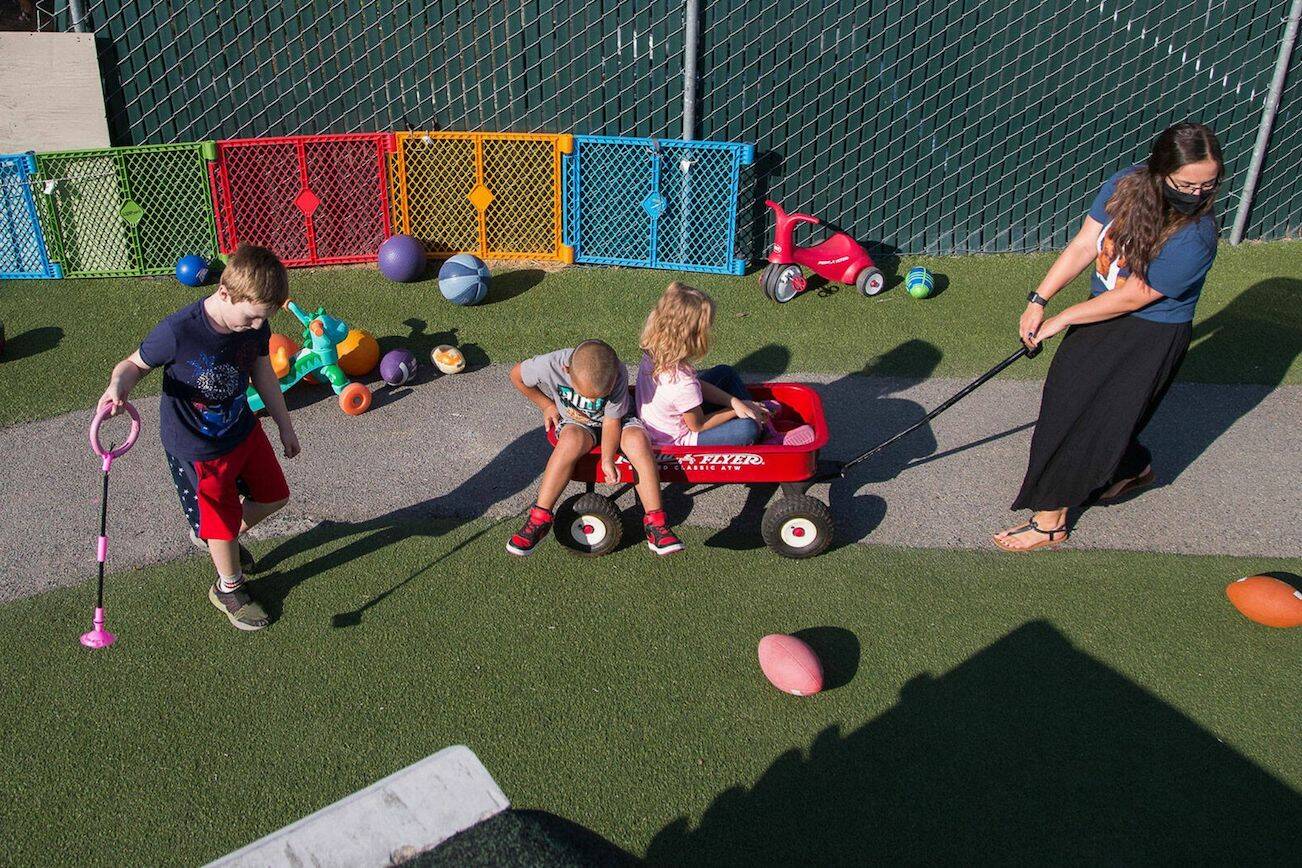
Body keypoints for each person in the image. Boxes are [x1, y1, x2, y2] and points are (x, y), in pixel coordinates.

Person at [995, 122, 1222, 552]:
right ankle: (1131, 469)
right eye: (1187, 183)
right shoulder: (1124, 185)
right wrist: (1039, 299)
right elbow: (1085, 244)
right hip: (1101, 314)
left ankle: (1050, 521)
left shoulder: (1196, 236)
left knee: (1082, 420)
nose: (1197, 195)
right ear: (1159, 170)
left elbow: (1134, 297)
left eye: (1207, 185)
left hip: (1150, 335)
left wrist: (1063, 320)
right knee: (1074, 405)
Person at [98, 244, 300, 628]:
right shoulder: (179, 330)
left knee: (275, 496)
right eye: (252, 318)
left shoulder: (256, 322)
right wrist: (117, 388)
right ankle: (228, 586)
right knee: (221, 524)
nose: (259, 327)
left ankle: (215, 536)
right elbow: (132, 365)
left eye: (264, 319)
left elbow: (263, 373)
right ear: (225, 293)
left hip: (242, 428)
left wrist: (284, 424)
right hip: (199, 445)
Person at [508, 339, 683, 556]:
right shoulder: (550, 364)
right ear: (566, 370)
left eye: (599, 397)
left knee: (637, 441)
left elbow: (611, 421)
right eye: (586, 396)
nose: (592, 401)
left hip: (620, 420)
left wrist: (608, 458)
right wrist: (547, 405)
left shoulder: (616, 371)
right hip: (577, 423)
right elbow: (516, 375)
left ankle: (656, 524)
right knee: (569, 441)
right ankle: (539, 518)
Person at [635, 281, 813, 448]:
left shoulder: (653, 350)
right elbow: (698, 425)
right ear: (693, 337)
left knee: (724, 372)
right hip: (677, 439)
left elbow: (695, 387)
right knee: (747, 429)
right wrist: (736, 410)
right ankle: (766, 434)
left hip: (663, 421)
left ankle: (762, 419)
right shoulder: (681, 383)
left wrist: (736, 402)